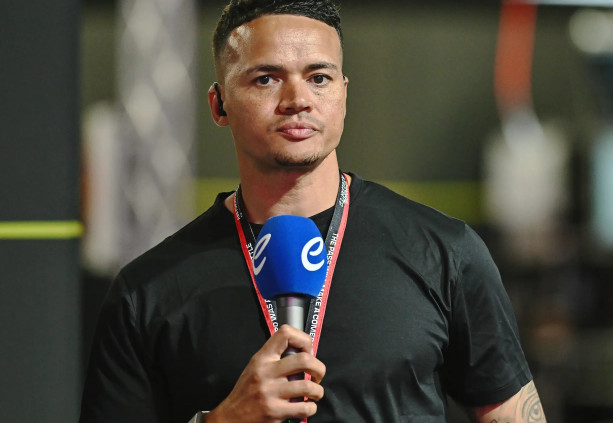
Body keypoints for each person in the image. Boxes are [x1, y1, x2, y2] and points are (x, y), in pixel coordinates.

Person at [79, 1, 546, 422]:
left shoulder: (444, 252)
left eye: (318, 78)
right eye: (266, 78)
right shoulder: (148, 290)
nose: (297, 100)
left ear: (343, 94)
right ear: (219, 104)